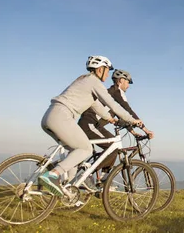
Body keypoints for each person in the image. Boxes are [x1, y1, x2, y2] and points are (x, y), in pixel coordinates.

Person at [39, 56, 141, 197]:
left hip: (50, 116)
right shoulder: (94, 82)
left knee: (76, 153)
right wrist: (132, 120)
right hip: (62, 116)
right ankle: (53, 174)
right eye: (107, 71)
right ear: (100, 69)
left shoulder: (85, 82)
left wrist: (110, 119)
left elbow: (97, 106)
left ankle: (68, 189)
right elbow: (112, 104)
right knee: (86, 149)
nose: (107, 74)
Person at [78, 69, 154, 174]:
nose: (128, 86)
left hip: (91, 125)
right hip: (90, 124)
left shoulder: (112, 92)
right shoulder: (117, 92)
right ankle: (88, 173)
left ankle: (105, 180)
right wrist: (146, 130)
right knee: (113, 147)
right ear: (121, 80)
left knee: (113, 146)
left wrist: (134, 133)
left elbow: (123, 115)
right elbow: (128, 111)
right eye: (128, 82)